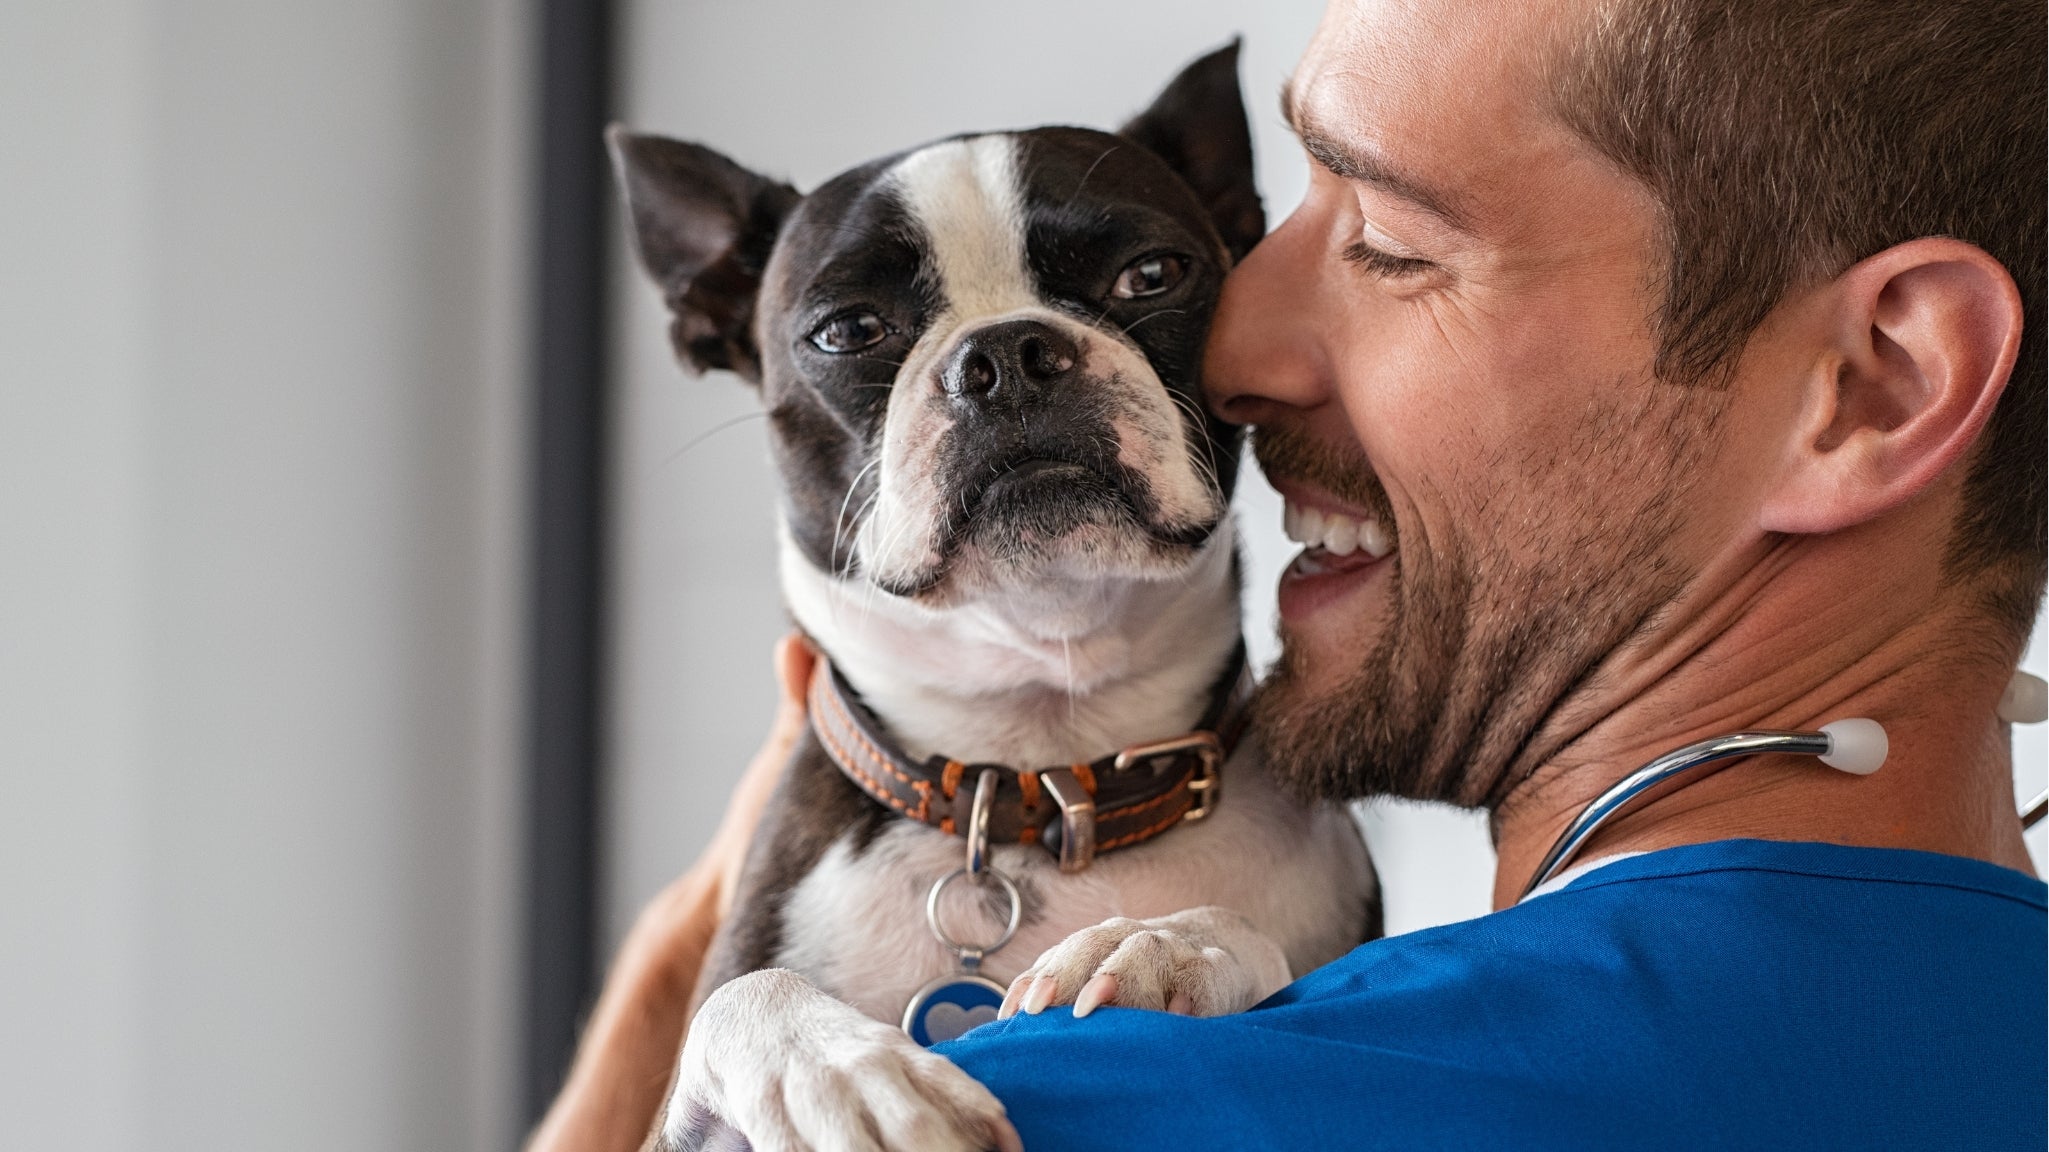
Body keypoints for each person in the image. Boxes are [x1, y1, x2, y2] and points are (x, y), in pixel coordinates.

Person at [533, 0, 2047, 1147]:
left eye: (1388, 241)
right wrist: (693, 961)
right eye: (1282, 219)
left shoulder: (1063, 1106)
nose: (1232, 352)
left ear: (1873, 386)